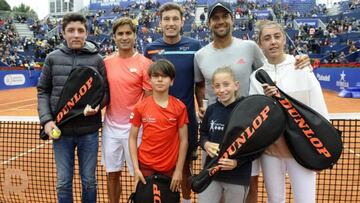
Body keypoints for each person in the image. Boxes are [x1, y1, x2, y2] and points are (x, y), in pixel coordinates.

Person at [194, 2, 311, 203]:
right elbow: (200, 85)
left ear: (232, 19)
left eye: (225, 16)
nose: (220, 21)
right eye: (215, 17)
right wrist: (204, 107)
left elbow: (272, 69)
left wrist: (297, 60)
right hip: (215, 131)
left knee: (250, 186)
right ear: (209, 22)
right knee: (215, 184)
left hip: (248, 131)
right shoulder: (200, 55)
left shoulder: (249, 47)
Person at [249, 20, 329, 203]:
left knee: (306, 200)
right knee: (275, 199)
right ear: (260, 44)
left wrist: (321, 147)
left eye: (277, 36)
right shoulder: (256, 77)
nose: (273, 42)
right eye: (267, 38)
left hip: (302, 149)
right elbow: (255, 115)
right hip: (271, 152)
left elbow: (319, 109)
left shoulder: (301, 68)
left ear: (284, 39)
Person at [37, 13, 108, 203]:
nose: (76, 35)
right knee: (63, 182)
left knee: (89, 181)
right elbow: (43, 90)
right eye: (71, 30)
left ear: (87, 33)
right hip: (61, 130)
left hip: (89, 132)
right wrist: (46, 120)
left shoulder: (98, 60)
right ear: (63, 33)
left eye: (80, 31)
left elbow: (105, 93)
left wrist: (96, 106)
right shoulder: (52, 58)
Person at [144, 3, 201, 202]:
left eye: (175, 19)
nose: (171, 23)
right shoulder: (150, 50)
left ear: (182, 21)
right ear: (160, 22)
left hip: (185, 122)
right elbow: (147, 85)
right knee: (159, 165)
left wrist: (202, 106)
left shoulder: (194, 46)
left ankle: (185, 200)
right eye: (166, 19)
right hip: (158, 122)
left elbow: (200, 83)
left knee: (185, 168)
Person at [101, 17, 152, 203]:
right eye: (120, 34)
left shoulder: (145, 64)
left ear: (134, 35)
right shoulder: (105, 63)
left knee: (140, 175)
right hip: (110, 129)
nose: (124, 37)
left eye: (128, 33)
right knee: (112, 174)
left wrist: (138, 120)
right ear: (114, 37)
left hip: (136, 130)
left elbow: (148, 98)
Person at [129, 59, 188, 193]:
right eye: (155, 76)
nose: (160, 80)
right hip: (145, 166)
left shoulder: (180, 107)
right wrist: (136, 168)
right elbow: (132, 138)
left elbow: (184, 140)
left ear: (171, 81)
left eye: (165, 76)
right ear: (150, 81)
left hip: (169, 168)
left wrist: (179, 170)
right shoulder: (140, 107)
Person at [199, 66, 256, 203]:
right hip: (211, 173)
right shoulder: (212, 110)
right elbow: (203, 133)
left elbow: (256, 146)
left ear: (236, 85)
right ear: (213, 88)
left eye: (226, 84)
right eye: (217, 86)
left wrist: (237, 162)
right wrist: (206, 144)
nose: (222, 90)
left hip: (237, 176)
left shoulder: (246, 110)